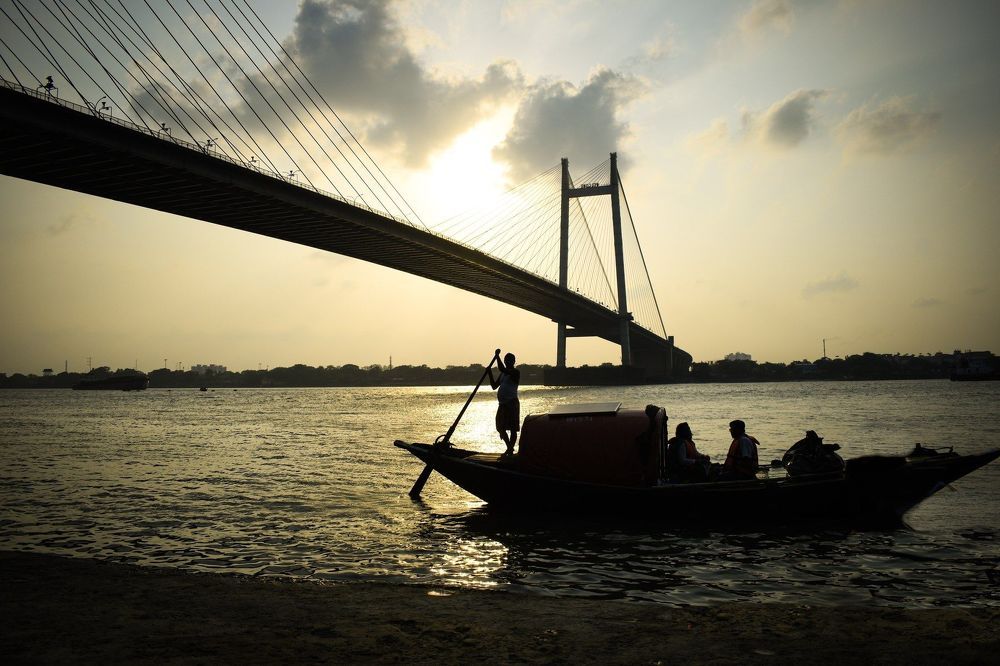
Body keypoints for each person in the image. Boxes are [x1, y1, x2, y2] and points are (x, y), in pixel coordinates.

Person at [487, 349, 520, 455]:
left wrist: (497, 356)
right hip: (502, 405)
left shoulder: (515, 372)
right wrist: (489, 373)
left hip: (512, 403)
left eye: (510, 360)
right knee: (500, 427)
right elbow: (494, 386)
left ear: (514, 362)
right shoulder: (503, 374)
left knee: (513, 428)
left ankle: (510, 449)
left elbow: (501, 368)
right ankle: (509, 447)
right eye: (506, 360)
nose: (507, 362)